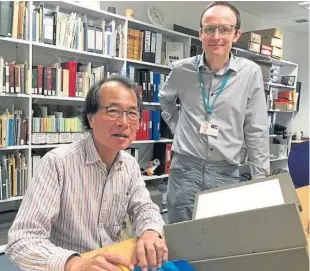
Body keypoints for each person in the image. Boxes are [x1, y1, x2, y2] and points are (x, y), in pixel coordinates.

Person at [6, 76, 168, 271]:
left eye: (132, 113)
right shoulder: (58, 163)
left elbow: (145, 208)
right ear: (90, 118)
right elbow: (22, 240)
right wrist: (74, 263)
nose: (124, 122)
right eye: (113, 111)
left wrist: (150, 231)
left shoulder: (130, 165)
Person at [159, 1, 270, 224]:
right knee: (181, 237)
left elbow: (256, 128)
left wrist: (261, 182)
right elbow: (165, 100)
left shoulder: (250, 73)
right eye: (209, 29)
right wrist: (178, 128)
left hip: (224, 173)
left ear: (236, 34)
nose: (216, 36)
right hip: (185, 171)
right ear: (201, 34)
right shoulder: (182, 70)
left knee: (220, 241)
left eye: (224, 29)